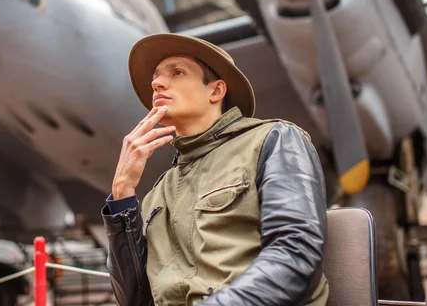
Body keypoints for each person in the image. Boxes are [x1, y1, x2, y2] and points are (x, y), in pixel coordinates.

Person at [101, 33, 329, 305]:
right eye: (156, 78)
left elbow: (295, 254)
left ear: (216, 91)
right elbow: (135, 299)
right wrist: (122, 193)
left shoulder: (273, 140)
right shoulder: (158, 192)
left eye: (177, 72)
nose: (157, 83)